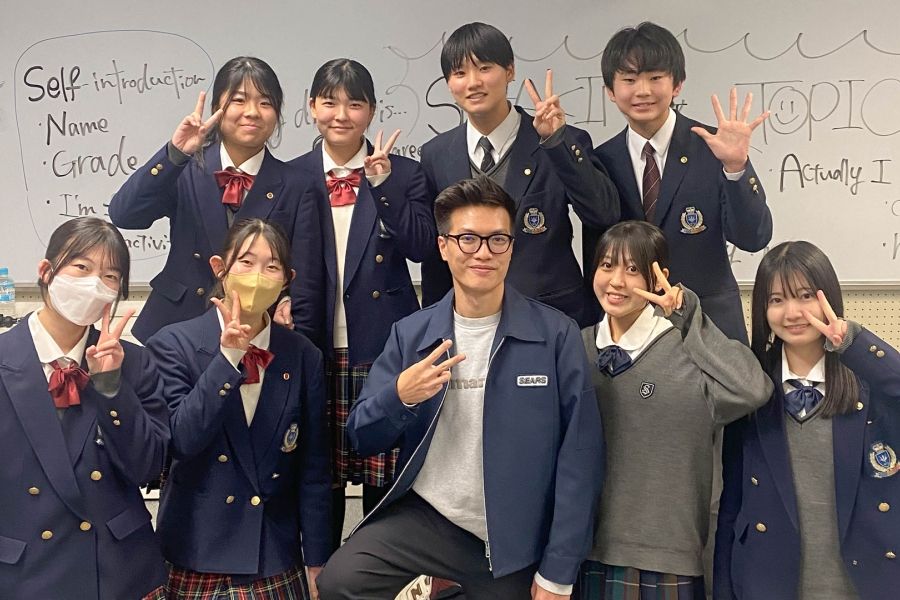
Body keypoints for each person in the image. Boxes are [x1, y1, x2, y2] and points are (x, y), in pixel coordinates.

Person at [316, 176, 604, 600]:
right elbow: (362, 435)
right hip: (430, 520)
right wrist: (399, 396)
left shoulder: (554, 334)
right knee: (341, 582)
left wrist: (557, 573)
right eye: (467, 238)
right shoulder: (411, 334)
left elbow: (581, 458)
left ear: (512, 246)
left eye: (497, 240)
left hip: (515, 536)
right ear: (444, 247)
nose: (483, 253)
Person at [576, 220, 770, 599]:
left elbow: (753, 389)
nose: (616, 281)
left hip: (669, 559)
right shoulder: (577, 348)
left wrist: (686, 314)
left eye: (633, 269)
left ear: (659, 277)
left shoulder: (687, 351)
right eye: (606, 265)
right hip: (587, 553)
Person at [288, 58, 435, 548]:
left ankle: (376, 578)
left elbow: (422, 247)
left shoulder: (406, 173)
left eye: (355, 103)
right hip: (312, 347)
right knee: (317, 479)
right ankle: (318, 576)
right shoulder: (291, 177)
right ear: (312, 107)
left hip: (381, 347)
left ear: (371, 110)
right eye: (329, 102)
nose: (341, 114)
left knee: (383, 483)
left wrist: (384, 184)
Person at [146, 218, 330, 599]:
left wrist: (317, 559)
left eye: (272, 266)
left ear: (286, 279)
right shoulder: (172, 344)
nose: (258, 275)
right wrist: (228, 357)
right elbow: (181, 440)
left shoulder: (301, 354)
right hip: (196, 549)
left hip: (273, 553)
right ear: (220, 268)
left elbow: (313, 467)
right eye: (246, 262)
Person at [714, 241, 900, 600]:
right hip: (768, 585)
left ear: (827, 298)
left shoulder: (867, 383)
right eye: (776, 300)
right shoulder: (751, 390)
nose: (793, 312)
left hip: (863, 585)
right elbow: (731, 506)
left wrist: (853, 342)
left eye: (804, 296)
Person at [0, 217, 170, 599]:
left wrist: (111, 387)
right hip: (24, 568)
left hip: (116, 568)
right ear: (46, 271)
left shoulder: (137, 363)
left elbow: (148, 468)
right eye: (81, 267)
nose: (95, 284)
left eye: (111, 276)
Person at [419, 21, 620, 329]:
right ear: (449, 83)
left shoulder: (557, 140)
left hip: (551, 317)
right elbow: (437, 254)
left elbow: (604, 213)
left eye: (485, 68)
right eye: (460, 73)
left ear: (510, 71)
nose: (473, 82)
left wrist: (557, 144)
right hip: (468, 324)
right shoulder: (435, 155)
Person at [110, 56, 319, 342]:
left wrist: (286, 302)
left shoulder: (297, 184)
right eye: (239, 100)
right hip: (176, 326)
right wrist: (174, 154)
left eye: (265, 103)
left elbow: (304, 272)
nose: (252, 112)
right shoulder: (185, 169)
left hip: (256, 331)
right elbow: (125, 215)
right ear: (217, 108)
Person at [593, 21, 772, 343]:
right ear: (610, 90)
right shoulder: (602, 161)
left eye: (655, 78)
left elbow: (753, 238)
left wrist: (736, 167)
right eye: (629, 80)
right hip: (632, 328)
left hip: (710, 325)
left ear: (677, 85)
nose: (643, 90)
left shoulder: (714, 147)